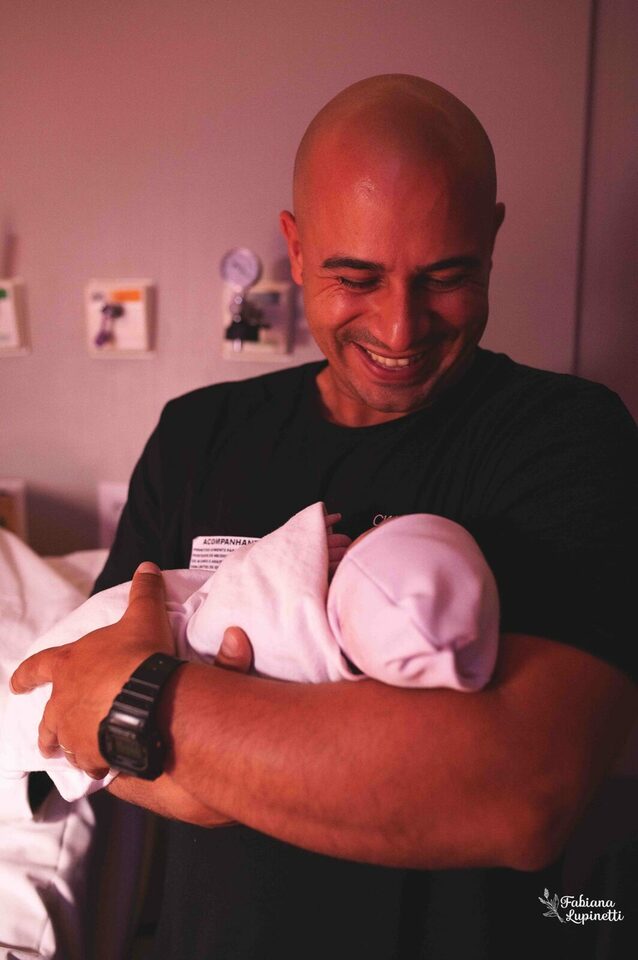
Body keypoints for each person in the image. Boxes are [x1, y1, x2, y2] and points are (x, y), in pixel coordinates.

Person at [11, 74, 637, 959]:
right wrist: (190, 730)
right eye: (356, 277)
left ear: (492, 239)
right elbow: (76, 714)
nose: (401, 328)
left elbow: (520, 794)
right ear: (297, 249)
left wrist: (156, 705)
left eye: (447, 276)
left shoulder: (567, 437)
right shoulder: (198, 435)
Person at [1, 504, 499, 801]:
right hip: (94, 657)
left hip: (135, 694)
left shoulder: (302, 623)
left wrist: (297, 553)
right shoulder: (193, 428)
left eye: (375, 538)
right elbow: (100, 655)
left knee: (28, 711)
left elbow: (246, 599)